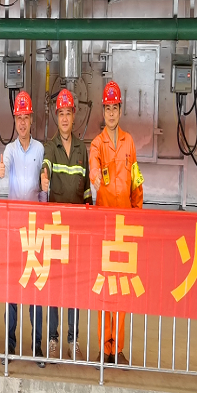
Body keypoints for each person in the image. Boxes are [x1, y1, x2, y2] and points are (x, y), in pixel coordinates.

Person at [88, 81, 143, 367]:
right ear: (103, 111)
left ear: (120, 110)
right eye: (107, 108)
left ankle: (118, 347)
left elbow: (136, 179)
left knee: (121, 289)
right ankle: (104, 346)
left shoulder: (129, 142)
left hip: (125, 225)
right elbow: (94, 166)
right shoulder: (97, 144)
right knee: (104, 288)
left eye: (115, 108)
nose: (111, 113)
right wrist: (95, 176)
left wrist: (138, 212)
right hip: (104, 226)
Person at [42, 88, 91, 362]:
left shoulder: (82, 149)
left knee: (74, 287)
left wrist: (89, 217)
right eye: (60, 113)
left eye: (67, 113)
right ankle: (53, 338)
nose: (64, 118)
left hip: (77, 230)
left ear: (74, 116)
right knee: (54, 286)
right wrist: (44, 176)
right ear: (56, 116)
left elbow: (87, 190)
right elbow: (46, 166)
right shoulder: (51, 147)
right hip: (55, 229)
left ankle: (73, 339)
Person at [1, 90, 46, 366]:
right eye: (18, 117)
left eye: (25, 117)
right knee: (12, 291)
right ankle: (10, 345)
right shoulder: (9, 150)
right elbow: (4, 167)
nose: (22, 122)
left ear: (31, 119)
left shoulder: (40, 150)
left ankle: (37, 346)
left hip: (36, 230)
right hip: (14, 230)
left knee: (35, 291)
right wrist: (1, 170)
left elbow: (43, 188)